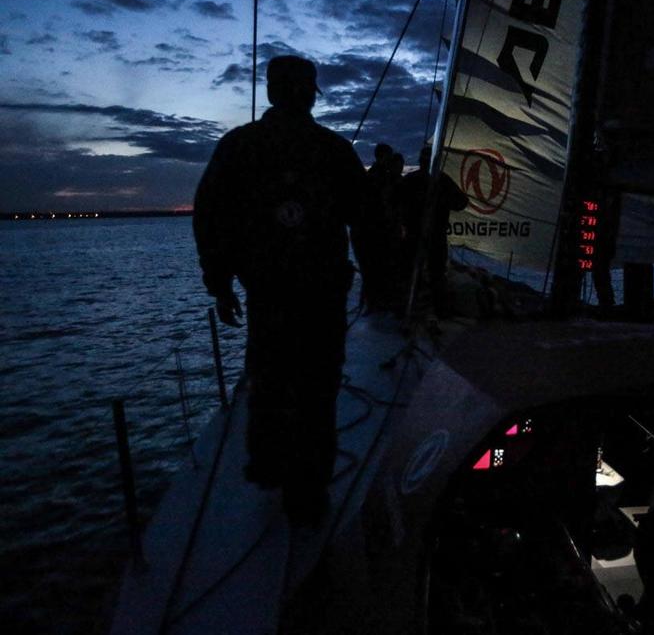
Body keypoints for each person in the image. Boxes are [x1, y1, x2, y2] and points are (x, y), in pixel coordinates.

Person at [192, 55, 366, 524]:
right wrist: (374, 279)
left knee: (268, 379)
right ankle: (306, 493)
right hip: (319, 298)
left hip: (268, 295)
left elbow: (210, 218)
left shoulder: (238, 147)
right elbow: (366, 220)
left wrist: (220, 283)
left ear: (271, 93)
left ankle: (268, 468)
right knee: (316, 389)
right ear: (308, 93)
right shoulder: (334, 150)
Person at [397, 147, 468, 318]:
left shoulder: (423, 180)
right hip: (423, 235)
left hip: (426, 234)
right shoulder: (438, 180)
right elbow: (461, 202)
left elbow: (461, 202)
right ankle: (429, 308)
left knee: (420, 272)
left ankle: (414, 307)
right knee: (428, 273)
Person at [352, 143, 399, 311]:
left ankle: (373, 301)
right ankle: (374, 302)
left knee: (373, 268)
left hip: (372, 230)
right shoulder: (378, 177)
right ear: (383, 156)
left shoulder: (377, 175)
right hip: (373, 231)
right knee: (374, 267)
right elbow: (378, 205)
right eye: (389, 155)